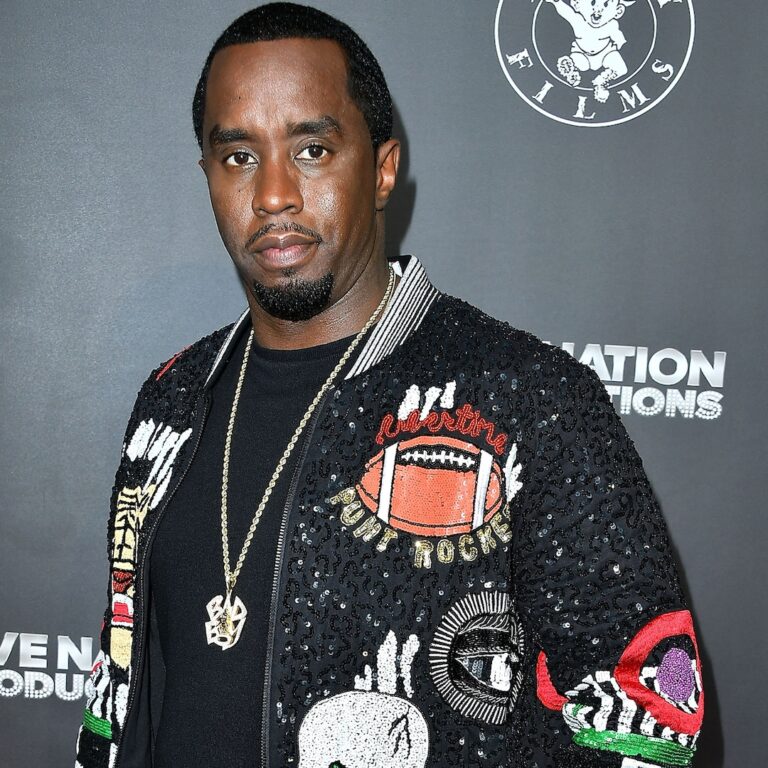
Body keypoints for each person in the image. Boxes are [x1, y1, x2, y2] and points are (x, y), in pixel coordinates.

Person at [74, 3, 703, 767]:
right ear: (208, 175)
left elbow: (651, 722)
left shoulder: (531, 399)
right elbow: (121, 682)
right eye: (238, 156)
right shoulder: (172, 398)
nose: (273, 194)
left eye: (311, 150)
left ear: (381, 169)